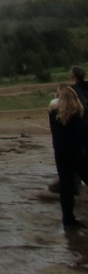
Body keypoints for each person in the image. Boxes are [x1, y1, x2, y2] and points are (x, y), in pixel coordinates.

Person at [48, 85, 88, 231]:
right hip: (75, 153)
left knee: (66, 188)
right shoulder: (76, 115)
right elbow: (81, 135)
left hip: (60, 154)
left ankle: (68, 220)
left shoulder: (53, 115)